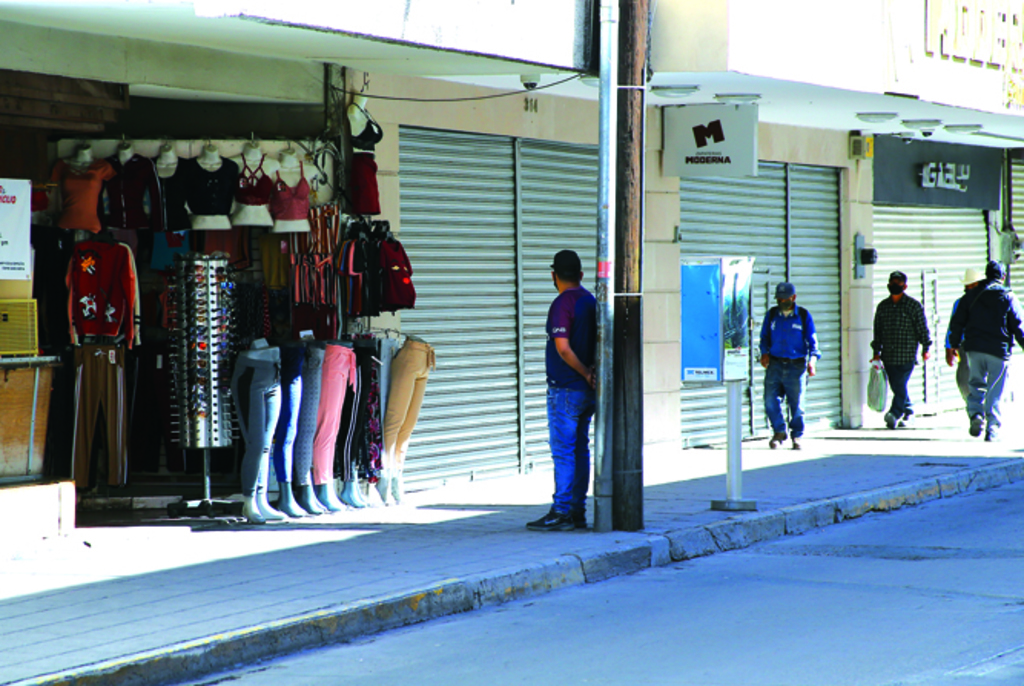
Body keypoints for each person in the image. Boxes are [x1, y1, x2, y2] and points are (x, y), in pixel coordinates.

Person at [527, 249, 597, 532]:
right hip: (587, 391)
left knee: (564, 451)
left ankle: (562, 511)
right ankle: (577, 510)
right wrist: (591, 374)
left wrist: (583, 372)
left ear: (553, 275)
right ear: (580, 275)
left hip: (566, 389)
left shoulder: (562, 304)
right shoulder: (590, 300)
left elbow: (563, 348)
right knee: (581, 449)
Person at [946, 260, 1024, 441]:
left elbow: (957, 323)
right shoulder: (1008, 296)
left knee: (975, 383)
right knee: (995, 389)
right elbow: (1019, 326)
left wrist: (953, 345)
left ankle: (975, 415)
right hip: (998, 350)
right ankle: (992, 427)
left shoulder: (970, 296)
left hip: (974, 349)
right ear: (1003, 276)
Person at [758, 282, 821, 450]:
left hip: (796, 366)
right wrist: (764, 353)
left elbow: (813, 342)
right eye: (779, 299)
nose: (781, 302)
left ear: (793, 298)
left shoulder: (803, 316)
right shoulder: (772, 315)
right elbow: (764, 337)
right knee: (770, 402)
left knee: (797, 405)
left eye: (785, 299)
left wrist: (812, 361)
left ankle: (797, 435)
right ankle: (779, 432)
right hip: (775, 365)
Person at [871, 270, 932, 429]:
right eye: (892, 283)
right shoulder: (883, 307)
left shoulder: (913, 306)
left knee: (900, 384)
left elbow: (922, 329)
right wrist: (876, 352)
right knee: (898, 386)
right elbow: (877, 332)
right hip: (889, 356)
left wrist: (926, 347)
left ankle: (894, 413)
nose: (894, 285)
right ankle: (909, 411)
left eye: (898, 283)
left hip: (906, 355)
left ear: (904, 286)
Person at [944, 267, 985, 401]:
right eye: (969, 285)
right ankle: (972, 406)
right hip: (965, 345)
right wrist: (949, 347)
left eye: (974, 285)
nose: (971, 288)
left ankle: (979, 407)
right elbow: (953, 325)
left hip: (984, 345)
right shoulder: (960, 303)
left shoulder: (988, 302)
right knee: (964, 378)